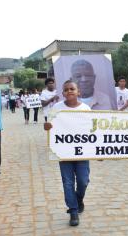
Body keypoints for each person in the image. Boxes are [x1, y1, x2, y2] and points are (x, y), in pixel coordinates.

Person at [44, 80, 91, 226]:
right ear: (62, 93)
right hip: (64, 153)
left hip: (82, 153)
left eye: (72, 89)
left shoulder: (86, 109)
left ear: (79, 92)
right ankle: (73, 211)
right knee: (68, 182)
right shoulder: (57, 108)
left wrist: (98, 151)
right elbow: (52, 128)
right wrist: (47, 127)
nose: (69, 91)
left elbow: (93, 131)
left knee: (83, 181)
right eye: (66, 89)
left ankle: (78, 199)